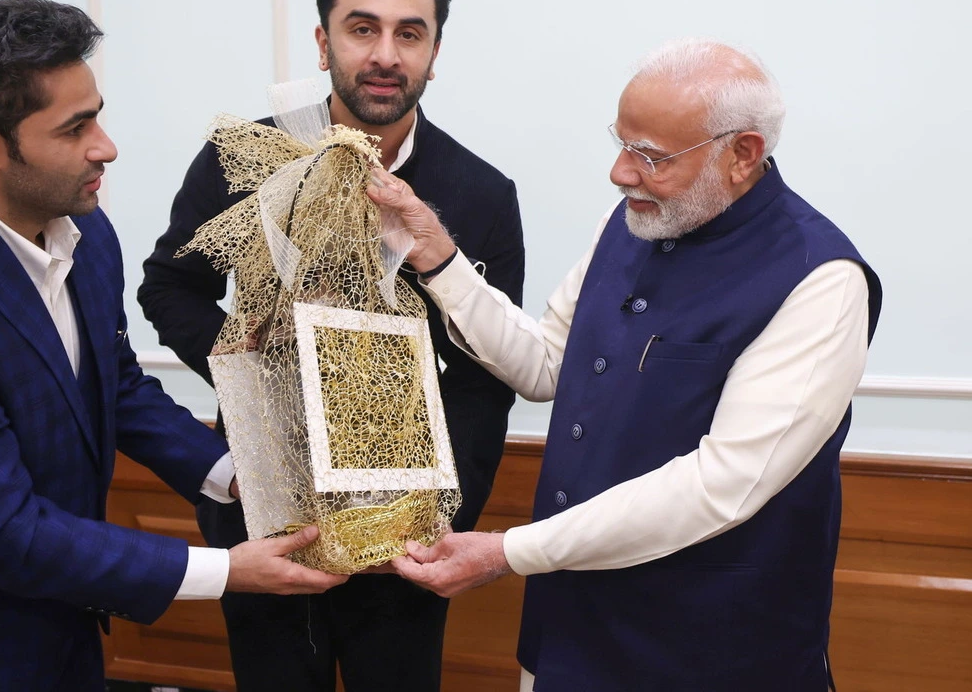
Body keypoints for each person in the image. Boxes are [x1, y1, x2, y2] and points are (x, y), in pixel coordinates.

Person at [0, 0, 345, 692]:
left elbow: (117, 388)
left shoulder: (84, 235)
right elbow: (1, 531)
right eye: (75, 128)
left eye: (97, 111)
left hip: (61, 632)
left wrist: (236, 474)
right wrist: (224, 570)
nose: (106, 145)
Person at [372, 39, 883, 691]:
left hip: (710, 654)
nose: (620, 172)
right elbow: (545, 367)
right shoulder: (633, 219)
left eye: (650, 156)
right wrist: (437, 256)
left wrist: (509, 552)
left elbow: (720, 485)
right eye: (621, 142)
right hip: (569, 632)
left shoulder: (822, 279)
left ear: (742, 154)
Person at [139, 0, 525, 692]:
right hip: (268, 515)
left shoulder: (482, 194)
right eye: (362, 28)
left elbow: (487, 376)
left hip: (409, 531)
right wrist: (244, 354)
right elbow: (166, 286)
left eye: (409, 34)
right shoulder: (242, 158)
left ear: (434, 53)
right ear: (324, 42)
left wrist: (449, 513)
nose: (385, 53)